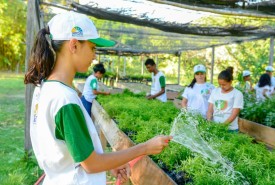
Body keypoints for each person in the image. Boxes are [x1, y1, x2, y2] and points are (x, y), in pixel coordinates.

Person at [24, 11, 172, 185]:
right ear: (74, 45)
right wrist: (145, 147)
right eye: (93, 48)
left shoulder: (45, 88)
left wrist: (109, 164)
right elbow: (91, 164)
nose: (95, 56)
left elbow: (73, 153)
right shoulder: (64, 99)